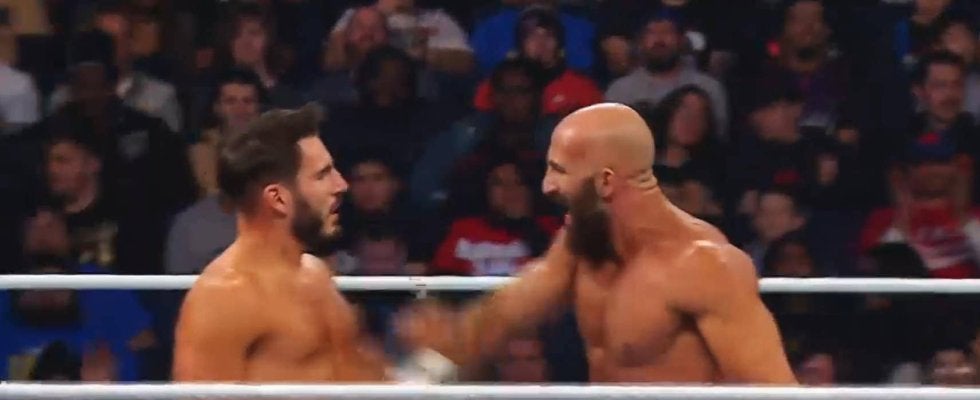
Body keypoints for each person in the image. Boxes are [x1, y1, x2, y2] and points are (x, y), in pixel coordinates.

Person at [398, 103, 796, 383]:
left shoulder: (704, 266)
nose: (546, 186)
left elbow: (774, 390)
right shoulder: (583, 238)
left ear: (606, 181)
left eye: (559, 171)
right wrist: (446, 345)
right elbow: (518, 306)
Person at [172, 104, 389, 382]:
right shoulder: (223, 298)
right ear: (277, 198)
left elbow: (355, 374)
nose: (341, 185)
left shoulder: (315, 272)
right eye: (322, 174)